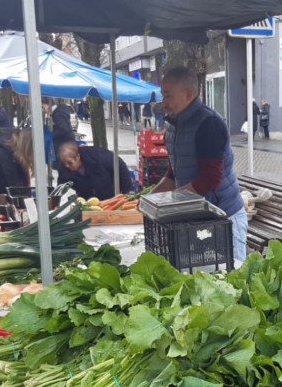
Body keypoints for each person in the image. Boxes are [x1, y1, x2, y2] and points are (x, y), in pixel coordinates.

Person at [153, 66, 248, 262]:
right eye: (163, 95)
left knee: (232, 280)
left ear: (188, 94)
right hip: (197, 219)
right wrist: (149, 201)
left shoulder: (209, 124)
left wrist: (171, 202)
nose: (164, 102)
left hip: (224, 219)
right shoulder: (173, 126)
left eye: (168, 95)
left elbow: (210, 178)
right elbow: (173, 174)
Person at [55, 140, 133, 201]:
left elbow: (119, 165)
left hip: (110, 198)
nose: (67, 166)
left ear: (78, 156)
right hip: (86, 204)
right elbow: (61, 188)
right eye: (64, 163)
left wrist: (126, 190)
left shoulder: (98, 155)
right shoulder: (63, 170)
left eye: (69, 163)